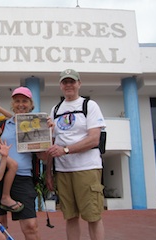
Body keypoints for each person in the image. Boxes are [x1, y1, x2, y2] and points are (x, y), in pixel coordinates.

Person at [46, 69, 106, 240]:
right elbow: (52, 143)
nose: (68, 85)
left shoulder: (89, 105)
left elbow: (94, 139)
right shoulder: (56, 109)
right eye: (65, 82)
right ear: (60, 86)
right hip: (63, 171)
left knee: (93, 216)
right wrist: (49, 173)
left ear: (79, 83)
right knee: (70, 217)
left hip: (87, 168)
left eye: (72, 81)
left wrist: (65, 150)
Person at [0, 86, 42, 240]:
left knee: (31, 226)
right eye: (17, 101)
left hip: (23, 177)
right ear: (12, 104)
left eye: (24, 101)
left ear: (31, 104)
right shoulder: (4, 124)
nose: (21, 104)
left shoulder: (38, 124)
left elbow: (43, 155)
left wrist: (48, 133)